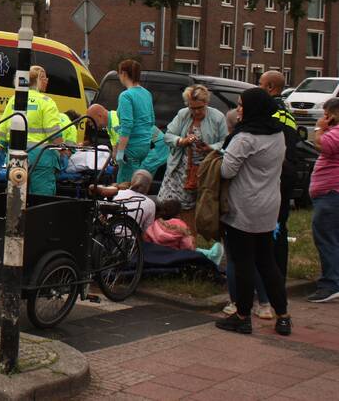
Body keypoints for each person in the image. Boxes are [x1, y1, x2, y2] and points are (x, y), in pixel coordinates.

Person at [215, 87, 292, 336]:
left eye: (241, 105)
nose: (238, 109)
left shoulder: (245, 137)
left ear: (252, 108)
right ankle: (283, 316)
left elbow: (226, 171)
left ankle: (242, 316)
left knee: (243, 263)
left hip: (244, 207)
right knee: (267, 262)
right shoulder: (278, 134)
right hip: (269, 206)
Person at [219, 108, 273, 319]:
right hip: (267, 204)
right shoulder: (274, 136)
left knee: (236, 258)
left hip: (240, 205)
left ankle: (237, 305)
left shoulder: (240, 139)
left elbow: (227, 171)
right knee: (259, 258)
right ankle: (266, 303)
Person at [159, 84, 227, 232]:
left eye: (200, 108)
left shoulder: (218, 117)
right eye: (192, 108)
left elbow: (226, 142)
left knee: (190, 210)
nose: (196, 112)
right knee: (167, 207)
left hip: (203, 172)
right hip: (178, 170)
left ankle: (188, 238)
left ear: (206, 103)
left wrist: (211, 148)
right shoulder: (183, 114)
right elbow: (168, 136)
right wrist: (181, 141)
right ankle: (167, 236)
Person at [258, 70, 300, 280]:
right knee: (280, 225)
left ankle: (267, 276)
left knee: (267, 225)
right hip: (288, 171)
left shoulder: (269, 111)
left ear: (270, 87)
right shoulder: (288, 112)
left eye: (260, 84)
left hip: (274, 174)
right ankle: (278, 275)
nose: (258, 87)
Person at [0, 65, 63, 196]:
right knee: (41, 199)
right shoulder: (46, 102)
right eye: (45, 78)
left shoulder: (14, 99)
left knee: (16, 197)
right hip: (41, 159)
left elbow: (3, 127)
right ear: (39, 79)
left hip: (15, 156)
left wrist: (1, 149)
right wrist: (63, 150)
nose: (47, 81)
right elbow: (54, 132)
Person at [307, 97, 339, 303]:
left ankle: (330, 284)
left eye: (326, 114)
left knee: (326, 239)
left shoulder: (335, 133)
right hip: (330, 194)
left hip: (330, 195)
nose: (323, 117)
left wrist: (319, 128)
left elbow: (321, 145)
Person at [113, 60, 155, 184]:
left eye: (119, 73)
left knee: (124, 186)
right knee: (138, 184)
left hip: (131, 147)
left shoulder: (126, 96)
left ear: (124, 73)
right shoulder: (147, 94)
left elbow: (127, 125)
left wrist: (120, 151)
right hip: (145, 146)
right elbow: (151, 120)